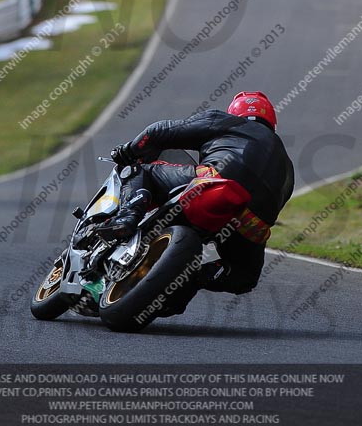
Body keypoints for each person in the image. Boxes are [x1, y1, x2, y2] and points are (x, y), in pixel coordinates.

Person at [98, 92, 294, 304]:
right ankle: (188, 281)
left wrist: (129, 150)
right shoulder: (287, 166)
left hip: (215, 182)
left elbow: (160, 131)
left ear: (236, 113)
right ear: (272, 123)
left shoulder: (228, 122)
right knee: (243, 277)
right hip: (251, 222)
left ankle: (127, 218)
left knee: (139, 171)